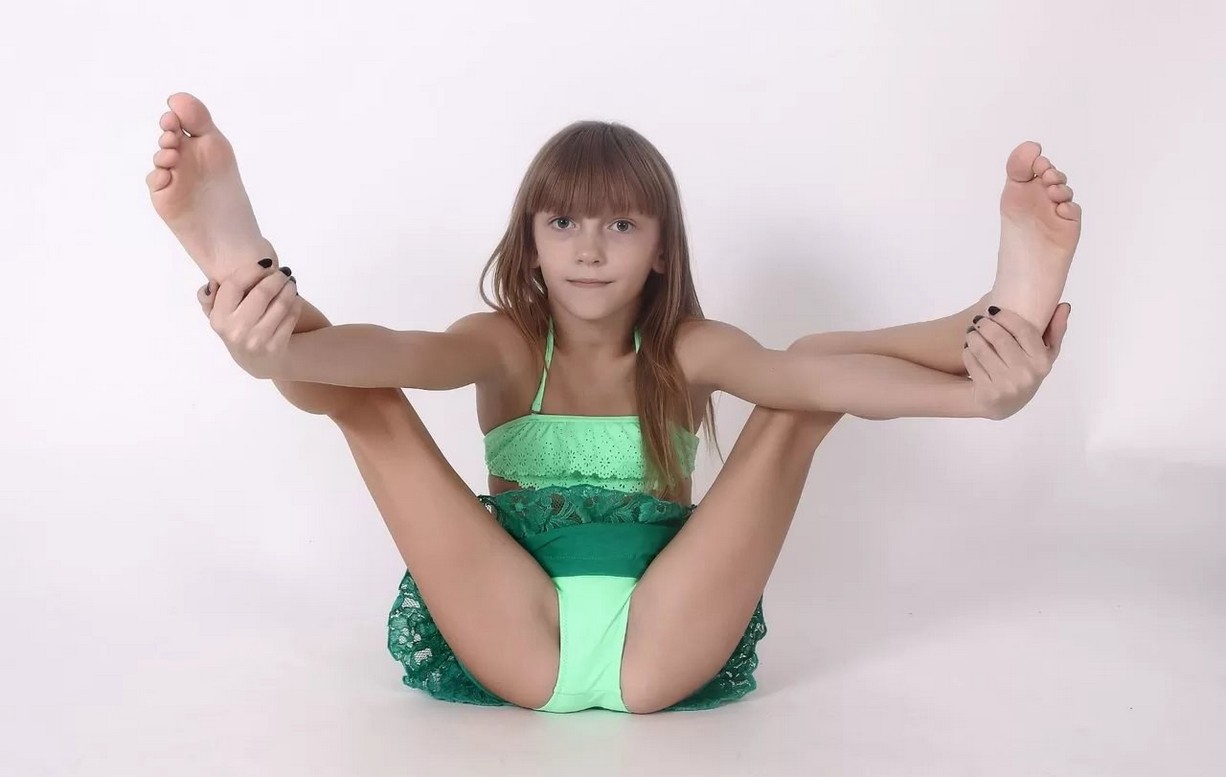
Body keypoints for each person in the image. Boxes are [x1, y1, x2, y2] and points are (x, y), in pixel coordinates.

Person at [147, 93, 1079, 714]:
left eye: (621, 224)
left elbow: (810, 384)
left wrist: (978, 407)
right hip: (516, 628)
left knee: (801, 377)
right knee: (368, 401)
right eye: (564, 223)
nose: (590, 249)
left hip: (665, 635)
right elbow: (394, 353)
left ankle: (997, 320)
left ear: (661, 248)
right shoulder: (504, 343)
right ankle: (251, 277)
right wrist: (272, 353)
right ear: (531, 243)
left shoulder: (689, 348)